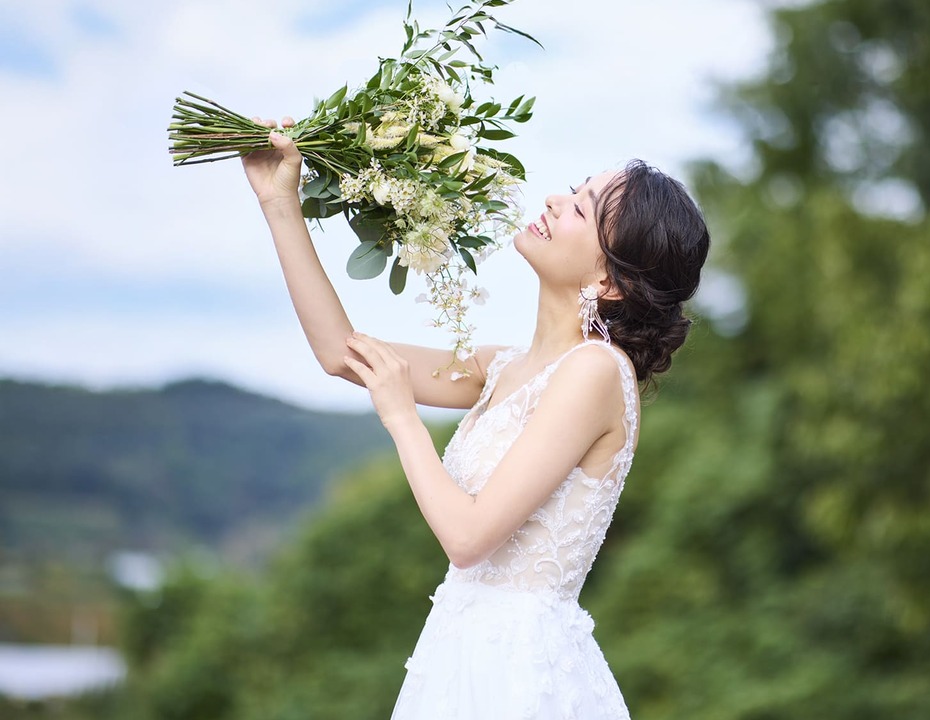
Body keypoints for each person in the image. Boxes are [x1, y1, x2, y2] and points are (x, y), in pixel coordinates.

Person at [242, 117, 710, 719]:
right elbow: (341, 353)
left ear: (609, 281)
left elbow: (467, 539)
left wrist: (402, 417)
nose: (554, 199)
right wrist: (279, 201)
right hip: (457, 654)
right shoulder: (501, 366)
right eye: (574, 189)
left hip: (519, 675)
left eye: (581, 208)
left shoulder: (596, 371)